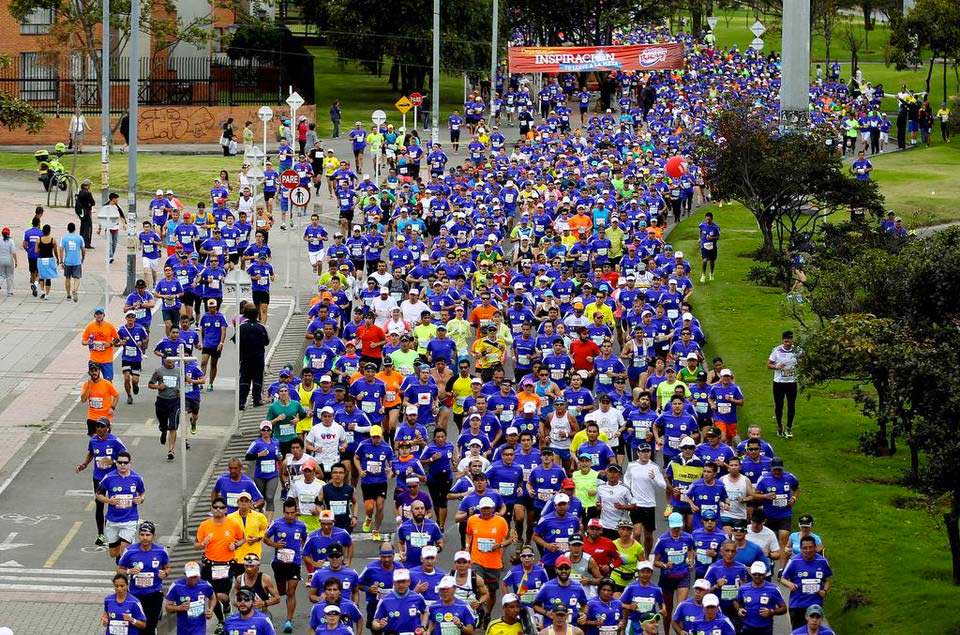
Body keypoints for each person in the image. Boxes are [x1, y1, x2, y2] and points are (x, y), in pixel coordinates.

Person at [117, 520, 170, 635]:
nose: (145, 538)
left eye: (148, 535)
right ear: (138, 535)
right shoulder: (130, 551)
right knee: (136, 626)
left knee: (150, 626)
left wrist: (165, 573)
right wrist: (129, 571)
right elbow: (120, 569)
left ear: (153, 536)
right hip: (136, 596)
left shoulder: (161, 551)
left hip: (154, 595)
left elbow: (168, 568)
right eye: (142, 534)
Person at [264, 497, 308, 633]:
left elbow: (305, 539)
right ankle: (264, 605)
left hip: (294, 563)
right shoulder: (277, 524)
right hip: (279, 563)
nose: (289, 516)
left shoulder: (301, 526)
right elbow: (265, 538)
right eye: (287, 513)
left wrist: (300, 552)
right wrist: (275, 545)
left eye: (292, 513)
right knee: (282, 592)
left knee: (291, 591)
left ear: (296, 512)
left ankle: (289, 620)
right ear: (283, 512)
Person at [96, 451, 146, 561]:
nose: (122, 465)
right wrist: (109, 501)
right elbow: (98, 495)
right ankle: (123, 549)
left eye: (125, 463)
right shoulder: (109, 477)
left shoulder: (136, 478)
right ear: (116, 463)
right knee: (113, 553)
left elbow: (142, 492)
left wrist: (141, 499)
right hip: (112, 520)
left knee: (123, 550)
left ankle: (125, 564)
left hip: (130, 519)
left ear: (130, 463)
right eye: (120, 462)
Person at [781, 536, 832, 629]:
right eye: (805, 548)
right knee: (799, 631)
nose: (808, 550)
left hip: (815, 603)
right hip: (797, 604)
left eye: (810, 547)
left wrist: (824, 591)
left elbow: (827, 579)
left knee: (814, 630)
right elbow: (783, 579)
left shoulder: (822, 561)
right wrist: (790, 584)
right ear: (800, 549)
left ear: (815, 548)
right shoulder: (794, 561)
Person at [164, 561, 216, 634]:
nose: (193, 579)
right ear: (185, 575)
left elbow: (213, 597)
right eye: (191, 577)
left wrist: (210, 610)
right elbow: (167, 607)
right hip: (183, 627)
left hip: (199, 627)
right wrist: (179, 608)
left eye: (196, 576)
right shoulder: (176, 586)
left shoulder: (205, 585)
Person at [735, 561, 786, 635]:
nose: (757, 576)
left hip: (765, 629)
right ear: (751, 573)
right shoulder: (743, 588)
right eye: (754, 574)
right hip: (747, 628)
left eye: (760, 574)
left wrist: (771, 612)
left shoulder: (773, 589)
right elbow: (736, 601)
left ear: (765, 574)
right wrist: (739, 609)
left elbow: (784, 608)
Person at [148, 355, 184, 461]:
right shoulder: (159, 371)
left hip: (175, 402)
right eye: (168, 360)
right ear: (164, 360)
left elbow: (185, 383)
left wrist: (180, 390)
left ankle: (171, 450)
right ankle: (163, 430)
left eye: (172, 360)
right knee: (164, 424)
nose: (170, 362)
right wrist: (158, 387)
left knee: (173, 426)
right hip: (162, 401)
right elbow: (150, 384)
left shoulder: (179, 371)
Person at [767, 331, 798, 438]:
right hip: (779, 383)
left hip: (792, 382)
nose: (787, 343)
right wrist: (777, 367)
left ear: (792, 340)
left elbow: (804, 361)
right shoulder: (777, 351)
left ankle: (789, 428)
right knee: (779, 406)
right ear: (782, 340)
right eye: (785, 341)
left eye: (789, 340)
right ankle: (780, 426)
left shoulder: (797, 350)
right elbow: (769, 364)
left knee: (791, 406)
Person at [239, 305, 271, 410]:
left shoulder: (242, 327)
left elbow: (236, 341)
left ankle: (241, 402)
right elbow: (267, 341)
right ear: (257, 315)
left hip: (245, 359)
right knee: (257, 379)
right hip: (258, 359)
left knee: (244, 380)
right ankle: (256, 400)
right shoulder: (261, 327)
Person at [82, 361, 120, 435]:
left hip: (105, 417)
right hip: (92, 417)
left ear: (99, 371)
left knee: (103, 438)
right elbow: (83, 400)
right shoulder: (86, 385)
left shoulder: (107, 384)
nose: (94, 373)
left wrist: (112, 408)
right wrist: (89, 387)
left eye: (96, 370)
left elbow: (116, 395)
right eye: (92, 371)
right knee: (94, 440)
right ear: (89, 372)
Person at [59, 221, 85, 301]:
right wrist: (83, 258)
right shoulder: (79, 237)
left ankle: (68, 295)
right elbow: (83, 249)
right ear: (75, 229)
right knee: (77, 278)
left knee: (67, 278)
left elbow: (61, 249)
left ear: (68, 229)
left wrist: (61, 261)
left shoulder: (64, 238)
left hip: (67, 261)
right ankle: (75, 290)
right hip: (77, 261)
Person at [75, 178, 96, 249]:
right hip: (87, 212)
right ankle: (87, 243)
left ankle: (81, 242)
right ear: (88, 185)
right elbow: (93, 202)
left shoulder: (80, 192)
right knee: (88, 228)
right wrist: (90, 204)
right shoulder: (88, 193)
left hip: (82, 213)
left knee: (82, 227)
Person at [0, 226, 16, 295]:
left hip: (1, 259)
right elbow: (13, 252)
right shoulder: (11, 241)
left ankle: (0, 283)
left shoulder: (0, 240)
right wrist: (16, 261)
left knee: (1, 275)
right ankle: (9, 292)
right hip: (9, 260)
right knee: (10, 276)